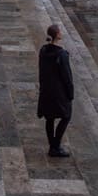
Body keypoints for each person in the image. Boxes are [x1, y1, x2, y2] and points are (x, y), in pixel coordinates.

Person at [37, 23, 74, 158]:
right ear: (57, 34)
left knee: (50, 117)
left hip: (46, 90)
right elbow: (67, 76)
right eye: (60, 31)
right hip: (59, 92)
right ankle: (55, 146)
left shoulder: (43, 50)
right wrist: (70, 93)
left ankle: (53, 145)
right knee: (66, 116)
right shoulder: (62, 54)